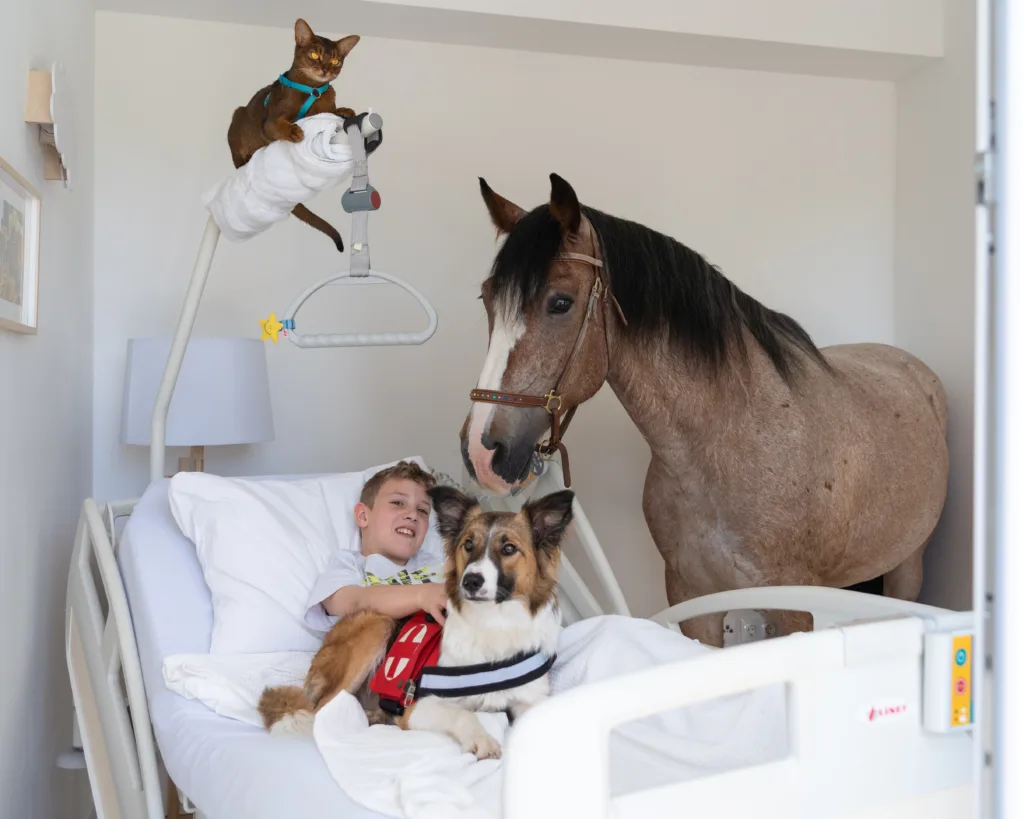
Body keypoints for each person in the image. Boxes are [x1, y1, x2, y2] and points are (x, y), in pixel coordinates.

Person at [304, 460, 449, 632]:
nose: (413, 515)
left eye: (422, 510)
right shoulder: (350, 564)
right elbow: (351, 603)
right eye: (398, 503)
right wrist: (421, 596)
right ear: (363, 516)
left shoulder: (440, 564)